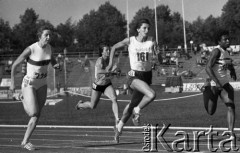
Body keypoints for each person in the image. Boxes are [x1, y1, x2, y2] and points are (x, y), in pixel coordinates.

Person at [106, 18, 156, 143]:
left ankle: (118, 128)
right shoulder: (131, 41)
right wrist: (111, 63)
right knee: (151, 94)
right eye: (144, 28)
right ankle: (137, 111)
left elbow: (157, 56)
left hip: (146, 76)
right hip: (134, 76)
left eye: (148, 28)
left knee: (132, 104)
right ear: (138, 29)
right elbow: (113, 48)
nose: (146, 30)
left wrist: (157, 55)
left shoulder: (152, 41)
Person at [10, 26, 60, 151]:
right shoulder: (30, 49)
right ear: (40, 36)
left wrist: (56, 65)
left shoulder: (49, 48)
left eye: (50, 35)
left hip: (42, 84)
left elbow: (52, 60)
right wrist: (12, 83)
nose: (49, 37)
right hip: (29, 83)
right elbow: (15, 65)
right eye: (46, 35)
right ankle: (22, 97)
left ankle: (25, 141)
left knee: (37, 115)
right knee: (33, 112)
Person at [202, 30, 236, 138]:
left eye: (228, 38)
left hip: (224, 84)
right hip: (213, 84)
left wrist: (233, 71)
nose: (228, 40)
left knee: (231, 106)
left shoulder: (227, 52)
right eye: (225, 39)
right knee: (211, 111)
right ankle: (205, 91)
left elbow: (228, 63)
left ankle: (231, 133)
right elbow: (207, 67)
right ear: (219, 41)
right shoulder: (216, 51)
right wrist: (216, 83)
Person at [75, 46, 120, 126]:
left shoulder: (110, 60)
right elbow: (99, 72)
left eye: (109, 50)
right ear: (102, 52)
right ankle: (79, 105)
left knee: (114, 98)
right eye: (106, 50)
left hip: (107, 84)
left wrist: (117, 71)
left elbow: (111, 72)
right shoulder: (100, 61)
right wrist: (112, 71)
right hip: (98, 85)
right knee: (93, 106)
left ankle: (117, 119)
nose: (108, 51)